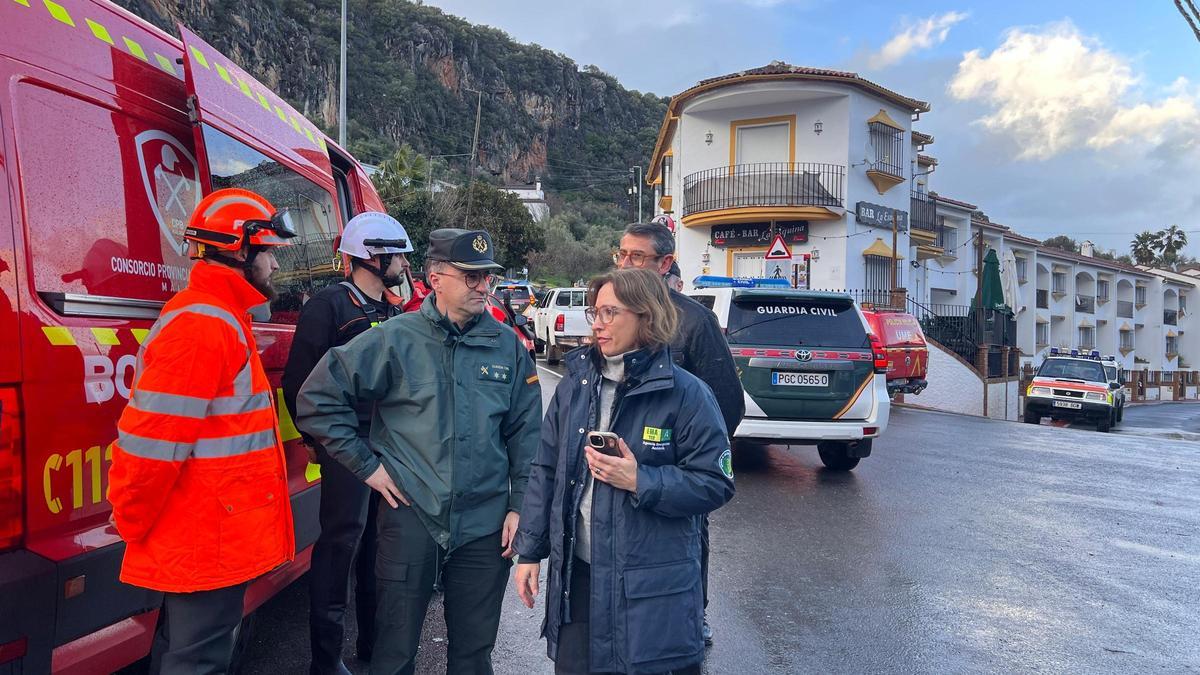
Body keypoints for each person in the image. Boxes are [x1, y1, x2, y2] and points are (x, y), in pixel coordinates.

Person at [296, 228, 542, 675]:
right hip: (412, 518)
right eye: (471, 277)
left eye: (487, 277)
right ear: (436, 278)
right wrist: (366, 468)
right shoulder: (395, 338)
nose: (483, 287)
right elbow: (318, 397)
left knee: (473, 657)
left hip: (484, 526)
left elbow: (528, 434)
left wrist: (519, 505)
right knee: (393, 655)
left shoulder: (507, 346)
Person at [107, 188, 297, 673]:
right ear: (238, 250)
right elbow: (149, 445)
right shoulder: (203, 325)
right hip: (205, 539)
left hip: (211, 533)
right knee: (197, 663)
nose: (275, 264)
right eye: (268, 252)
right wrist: (132, 522)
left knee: (190, 657)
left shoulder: (220, 317)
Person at [513, 268, 735, 675]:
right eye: (595, 312)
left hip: (651, 591)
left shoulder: (687, 394)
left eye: (610, 312)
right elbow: (545, 468)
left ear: (645, 316)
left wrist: (640, 480)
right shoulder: (574, 386)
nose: (597, 323)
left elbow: (715, 483)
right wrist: (529, 552)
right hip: (579, 578)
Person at [282, 212, 412, 674]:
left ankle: (373, 644)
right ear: (372, 257)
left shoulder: (391, 310)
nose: (404, 264)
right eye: (398, 256)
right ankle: (326, 660)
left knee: (379, 547)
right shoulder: (329, 307)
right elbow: (298, 382)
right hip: (345, 444)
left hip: (386, 446)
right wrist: (314, 439)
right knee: (341, 545)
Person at [614, 222, 744, 644]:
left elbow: (726, 401)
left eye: (637, 256)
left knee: (686, 542)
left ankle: (692, 615)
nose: (625, 264)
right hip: (616, 468)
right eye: (621, 254)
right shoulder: (610, 312)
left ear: (664, 263)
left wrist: (693, 456)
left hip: (673, 472)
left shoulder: (695, 321)